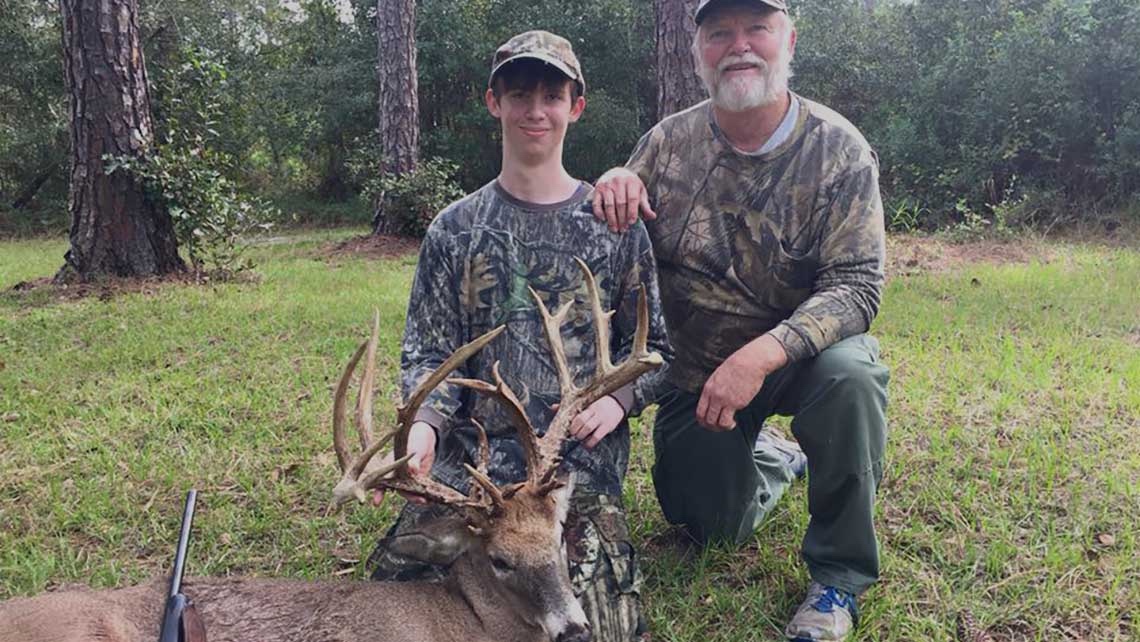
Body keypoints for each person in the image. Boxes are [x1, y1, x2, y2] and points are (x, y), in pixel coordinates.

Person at [591, 1, 889, 640]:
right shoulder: (667, 142)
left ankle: (838, 581)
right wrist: (613, 181)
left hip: (796, 364)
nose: (740, 46)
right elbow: (612, 238)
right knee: (706, 524)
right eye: (720, 32)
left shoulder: (839, 149)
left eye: (757, 28)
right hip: (694, 374)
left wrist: (758, 357)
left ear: (788, 39)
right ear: (697, 51)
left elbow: (858, 287)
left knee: (853, 375)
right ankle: (777, 460)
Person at [366, 30, 670, 642]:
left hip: (571, 477)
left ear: (575, 106)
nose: (536, 110)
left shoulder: (614, 226)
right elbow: (429, 355)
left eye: (552, 95)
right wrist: (423, 430)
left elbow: (659, 352)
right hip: (469, 482)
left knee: (601, 632)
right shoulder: (454, 230)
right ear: (493, 102)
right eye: (520, 93)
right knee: (389, 609)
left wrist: (619, 399)